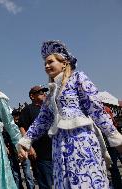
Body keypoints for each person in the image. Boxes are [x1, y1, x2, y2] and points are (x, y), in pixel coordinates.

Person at [18, 40, 122, 188]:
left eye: (50, 62)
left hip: (81, 140)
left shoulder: (79, 78)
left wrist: (114, 135)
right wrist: (26, 141)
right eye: (45, 63)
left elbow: (96, 109)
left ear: (64, 62)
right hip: (59, 146)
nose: (46, 66)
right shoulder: (52, 92)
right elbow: (42, 120)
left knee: (86, 181)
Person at [19, 86, 53, 189]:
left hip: (54, 150)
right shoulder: (28, 109)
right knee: (45, 183)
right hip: (39, 153)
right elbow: (22, 127)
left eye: (44, 92)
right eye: (40, 92)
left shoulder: (49, 108)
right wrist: (29, 147)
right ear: (32, 96)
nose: (43, 94)